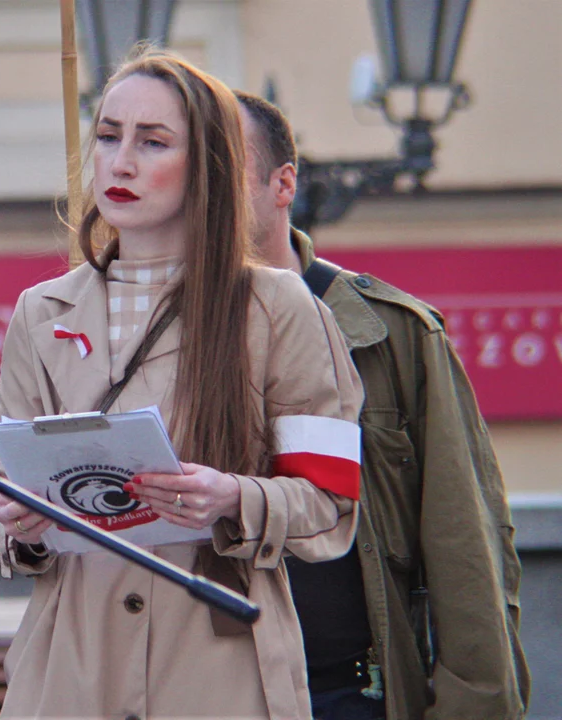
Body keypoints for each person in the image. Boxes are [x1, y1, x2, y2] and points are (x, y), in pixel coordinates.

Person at [0, 49, 364, 720]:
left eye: (152, 142)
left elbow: (330, 503)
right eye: (107, 135)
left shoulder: (280, 306)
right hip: (69, 675)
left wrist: (231, 497)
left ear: (207, 165)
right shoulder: (40, 311)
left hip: (219, 673)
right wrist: (19, 523)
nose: (120, 161)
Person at [236, 90, 530, 720]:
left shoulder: (388, 333)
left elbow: (465, 541)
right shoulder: (139, 330)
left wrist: (474, 706)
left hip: (347, 694)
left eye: (223, 167)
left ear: (283, 183)